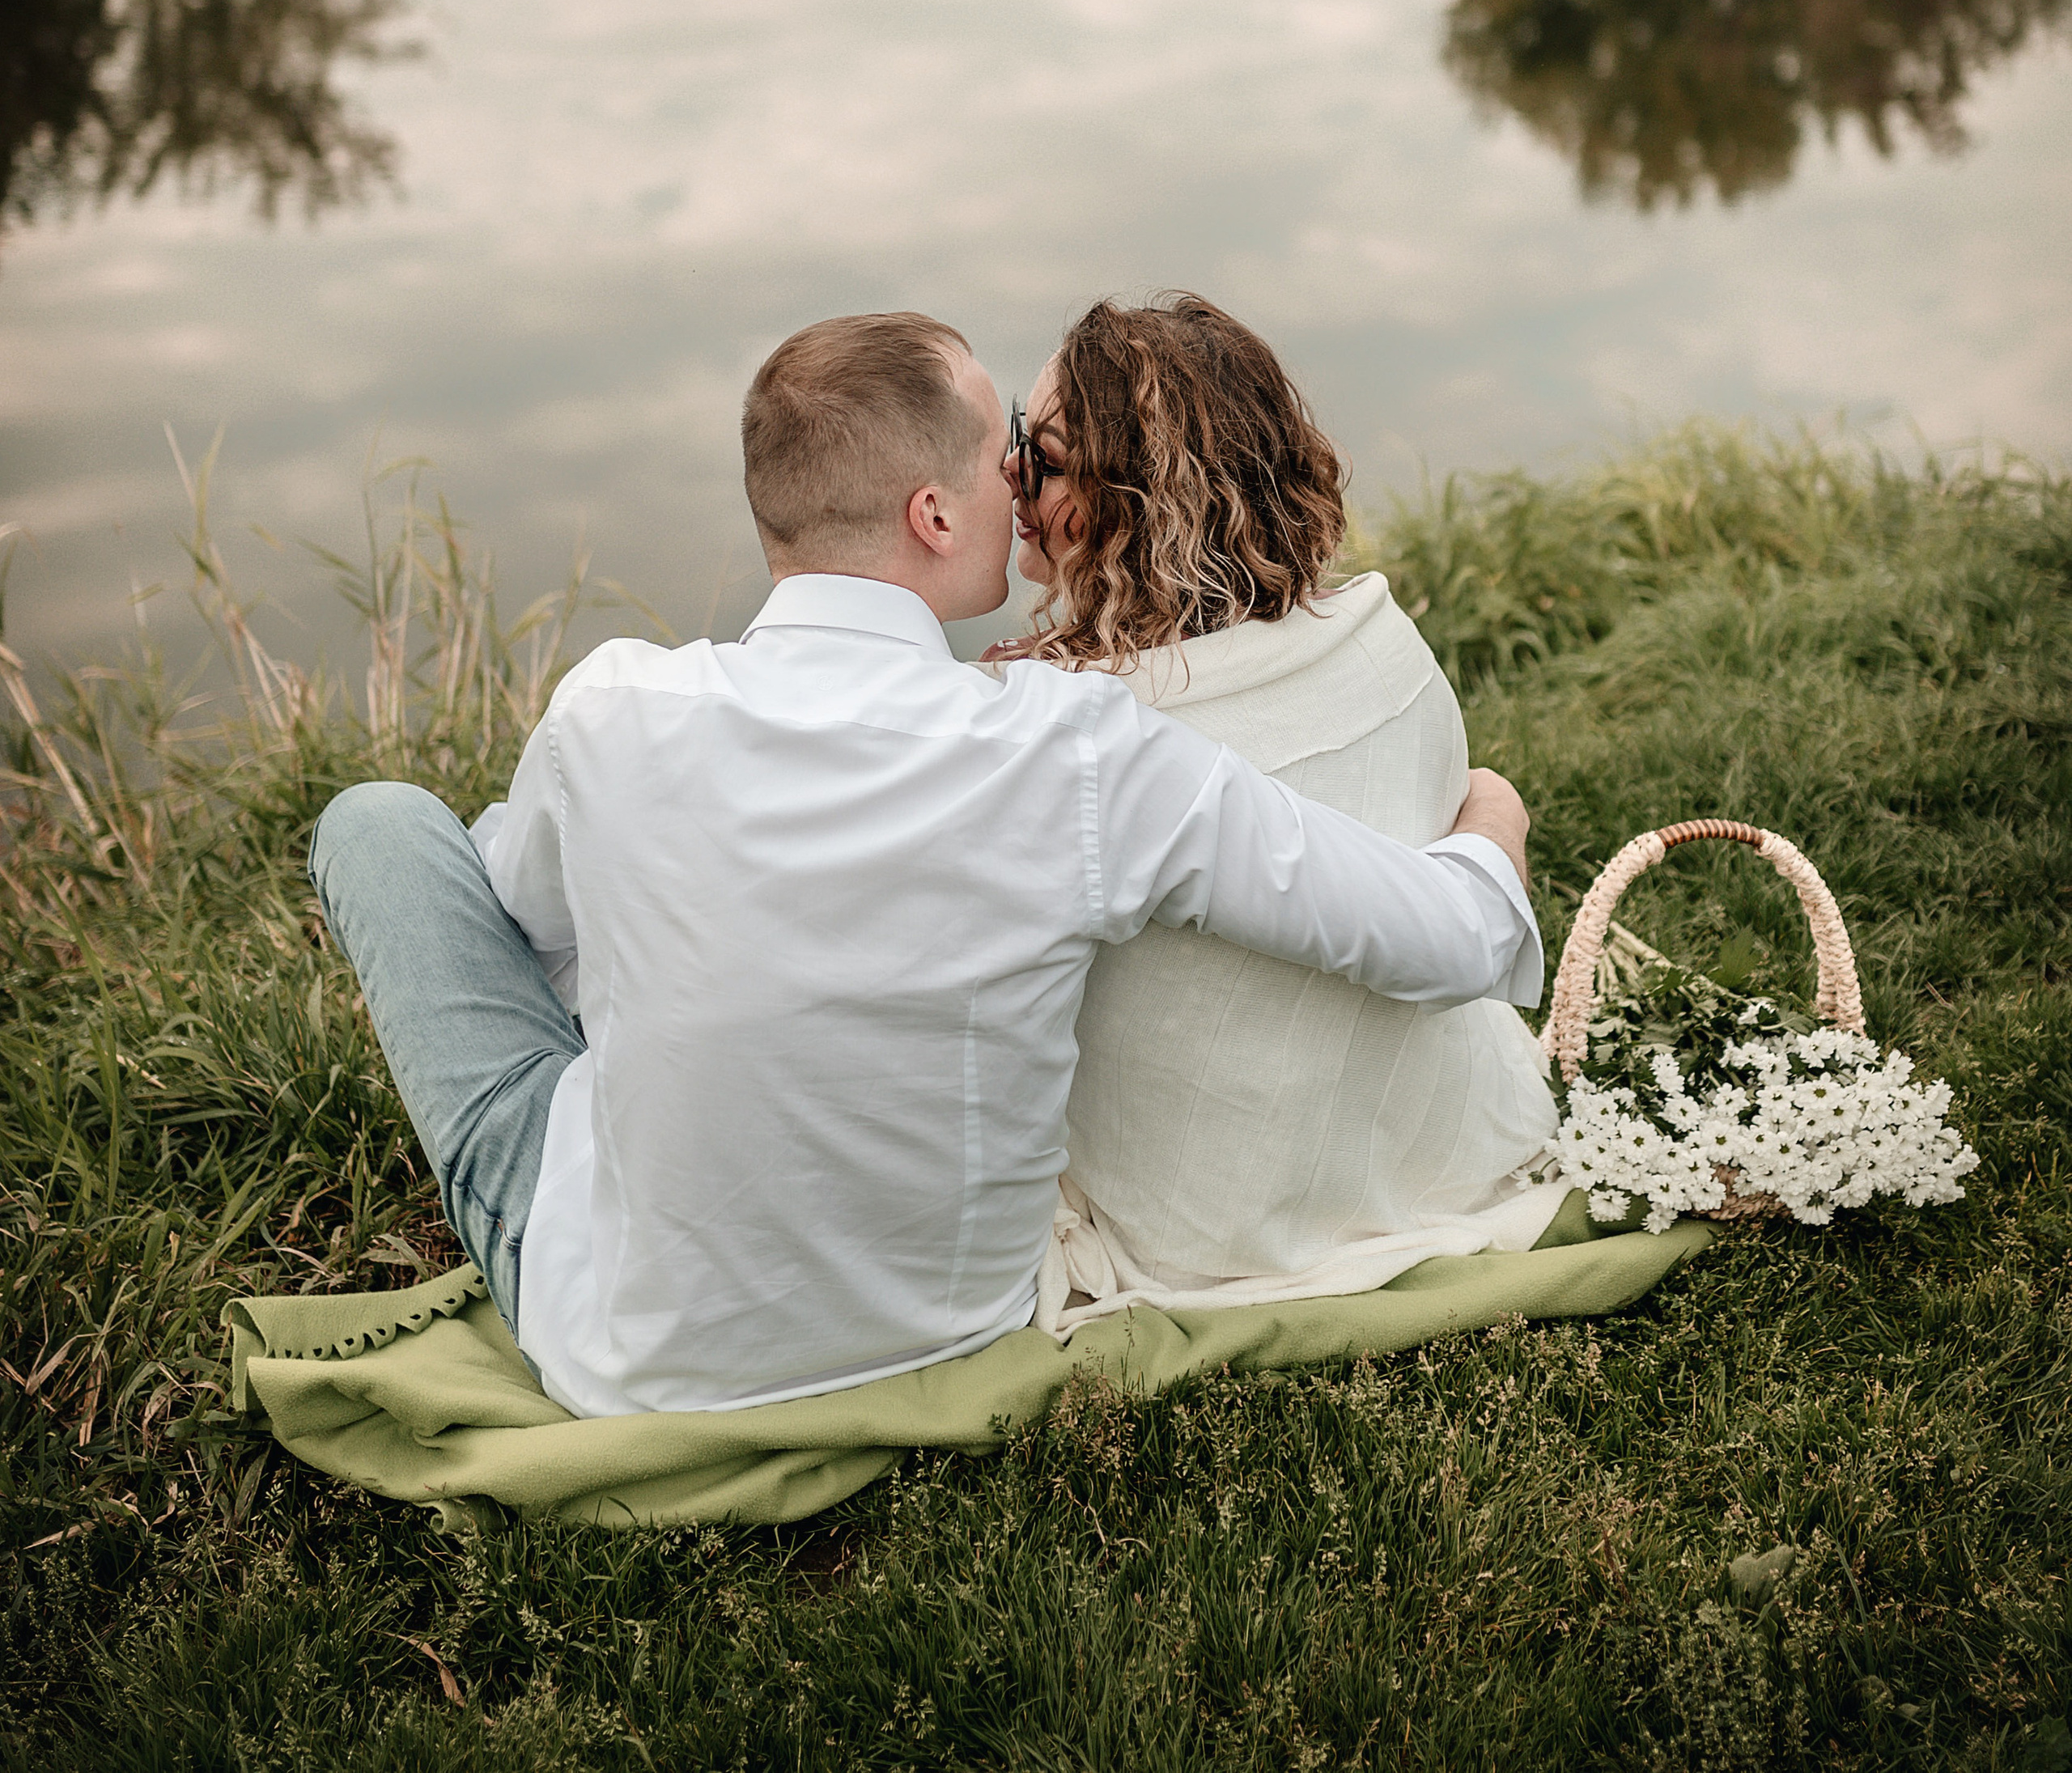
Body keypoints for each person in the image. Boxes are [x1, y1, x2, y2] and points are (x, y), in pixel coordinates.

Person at [308, 311, 1540, 1420]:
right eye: (1009, 453)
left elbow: (523, 931)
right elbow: (1456, 938)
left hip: (626, 1357)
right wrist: (1491, 814)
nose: (1022, 483)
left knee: (384, 825)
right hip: (955, 1325)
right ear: (935, 515)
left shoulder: (612, 703)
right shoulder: (1077, 752)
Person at [995, 294, 1565, 1326]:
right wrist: (1497, 810)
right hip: (1450, 1155)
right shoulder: (1385, 643)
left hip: (1207, 1224)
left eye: (1043, 455)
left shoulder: (1069, 730)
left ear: (1135, 501)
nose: (1009, 474)